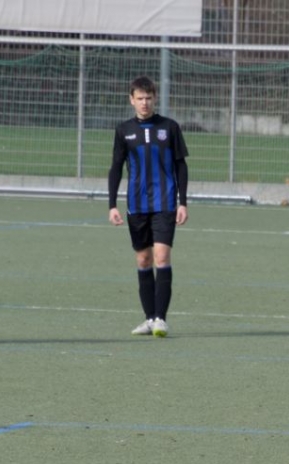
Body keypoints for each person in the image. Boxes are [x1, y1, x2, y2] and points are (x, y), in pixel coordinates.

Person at [107, 76, 189, 338]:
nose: (144, 103)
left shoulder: (170, 127)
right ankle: (149, 318)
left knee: (162, 257)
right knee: (143, 259)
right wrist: (112, 205)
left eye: (148, 98)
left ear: (155, 98)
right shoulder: (123, 131)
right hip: (137, 206)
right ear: (132, 100)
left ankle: (161, 319)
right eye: (139, 98)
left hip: (165, 204)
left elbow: (181, 166)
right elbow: (116, 169)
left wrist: (183, 202)